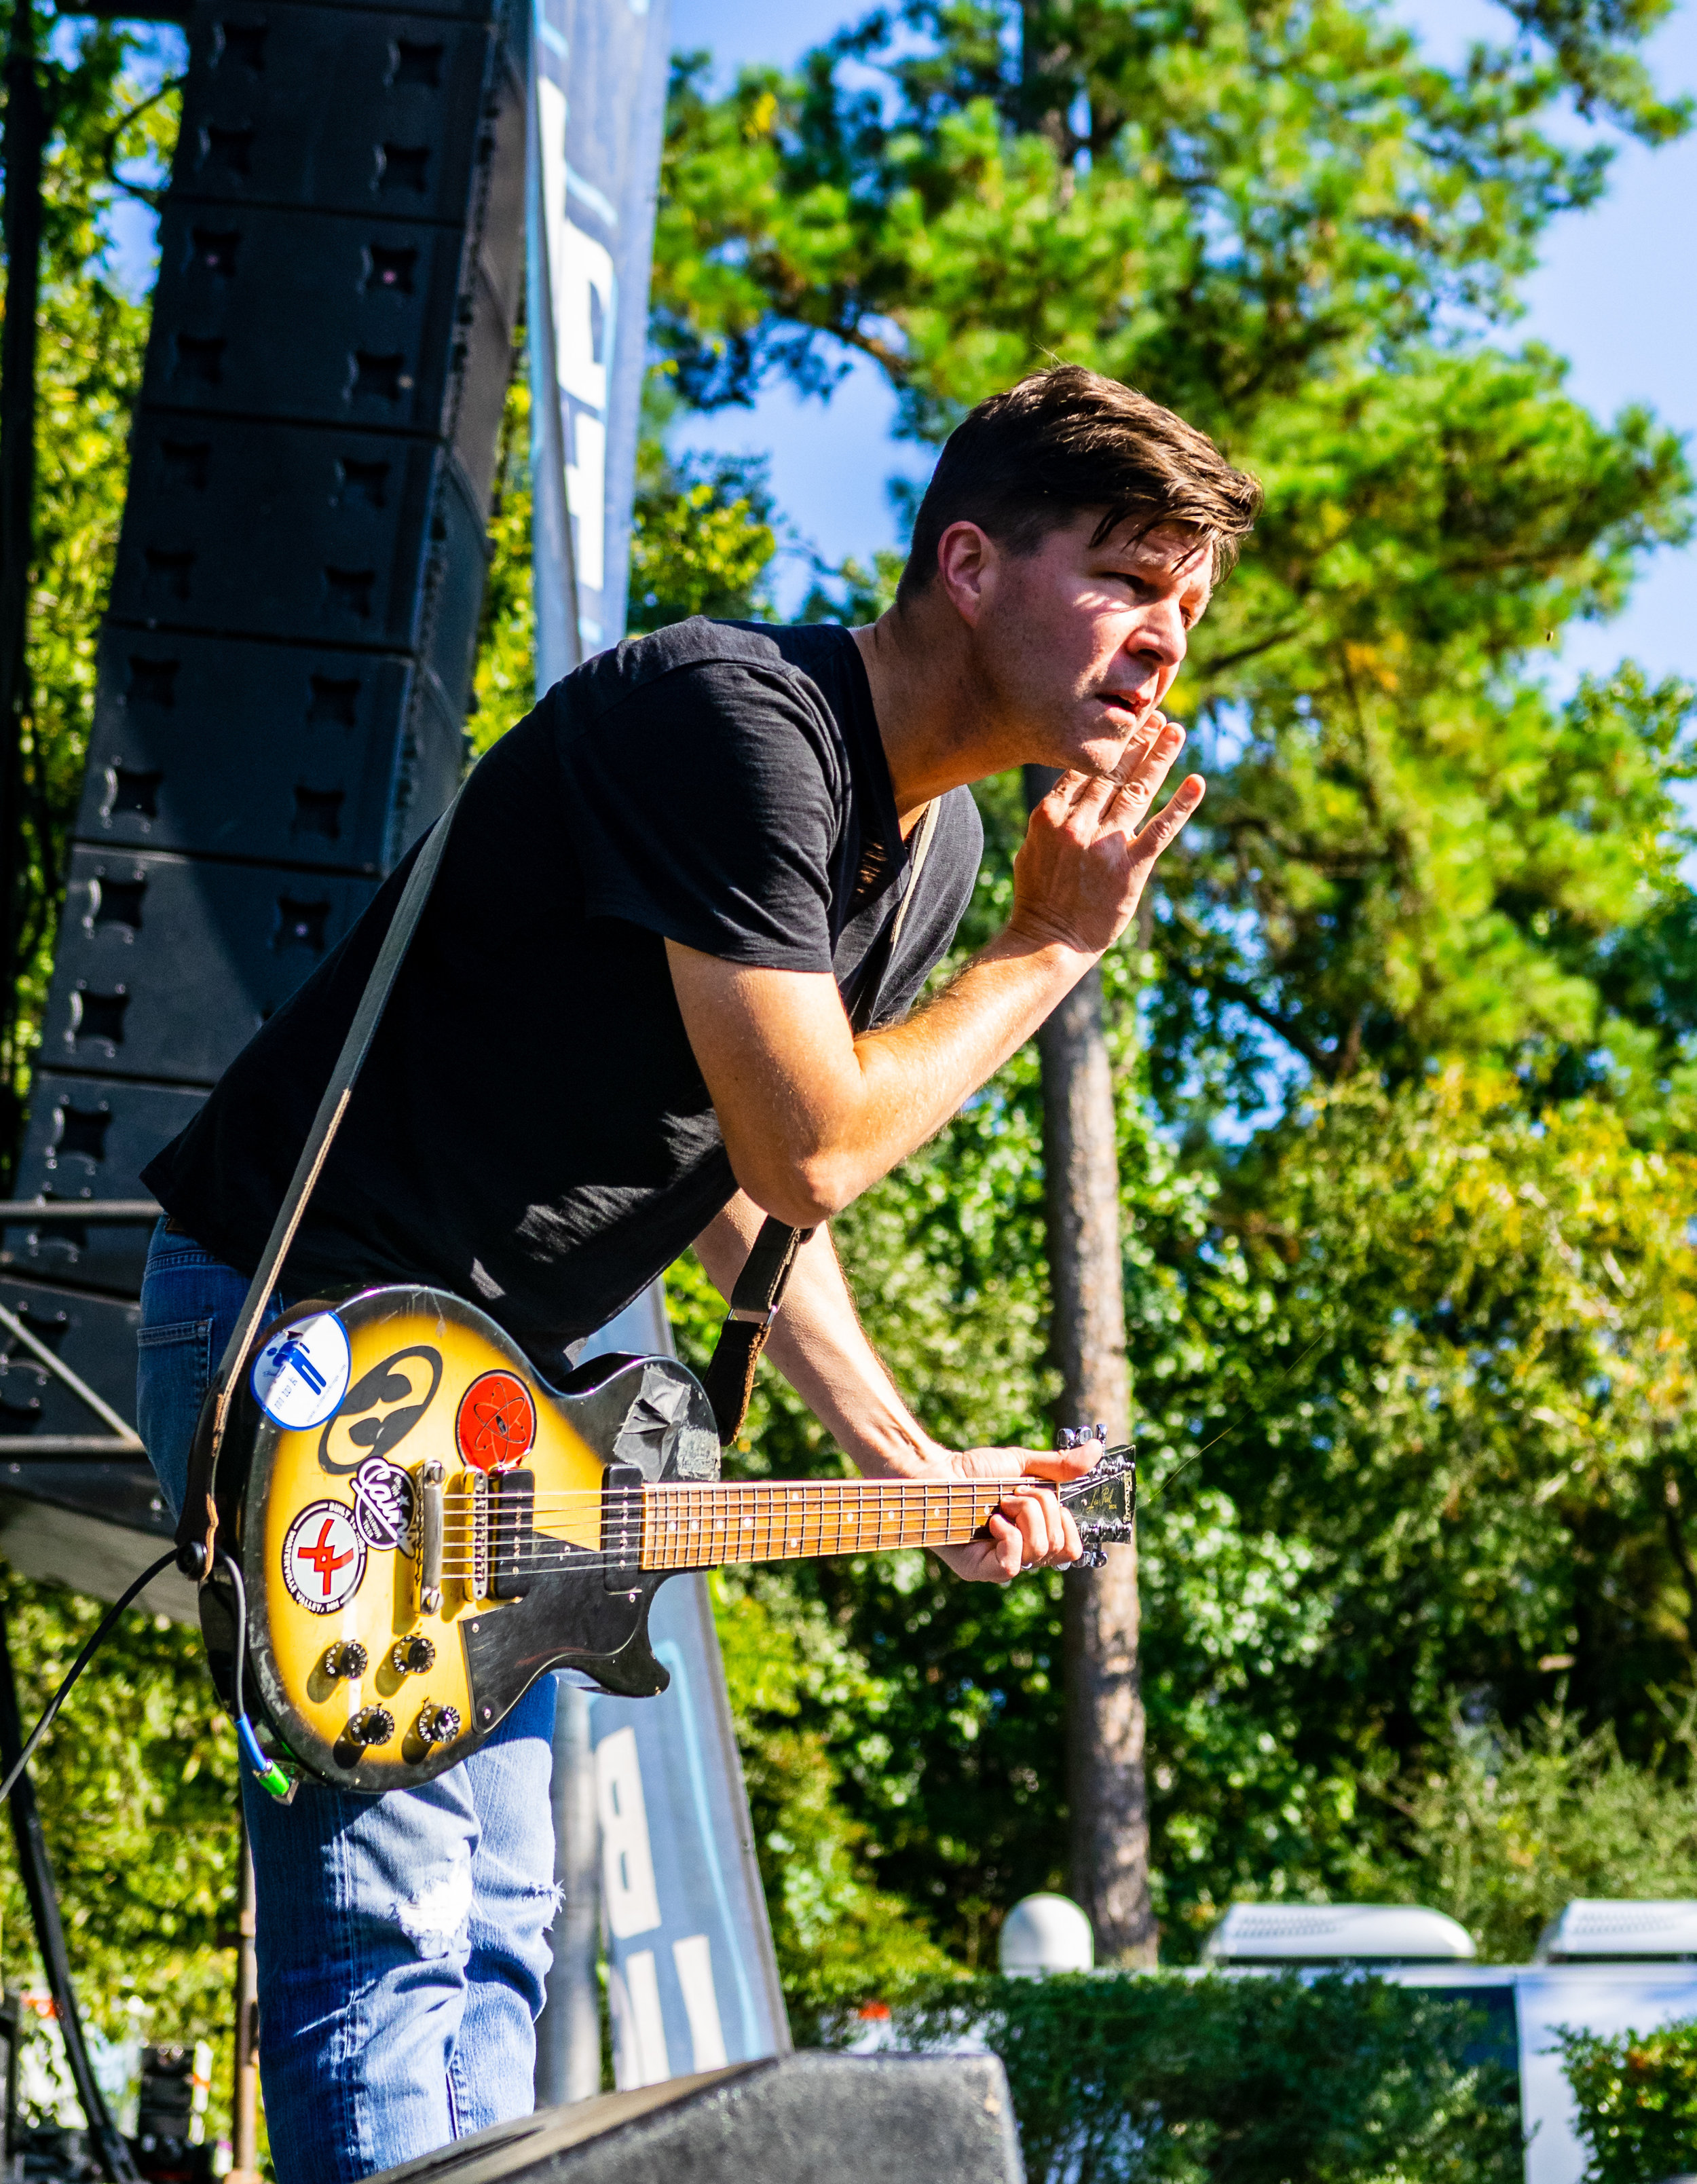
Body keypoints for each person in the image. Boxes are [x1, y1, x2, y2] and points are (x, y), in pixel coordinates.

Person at [136, 364, 1260, 2180]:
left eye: (1187, 608)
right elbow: (812, 1143)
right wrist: (1053, 948)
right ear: (970, 563)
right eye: (1127, 580)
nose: (1163, 641)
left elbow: (737, 1178)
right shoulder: (740, 725)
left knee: (502, 1939)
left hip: (491, 1403)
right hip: (302, 1326)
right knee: (394, 1946)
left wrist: (905, 1463)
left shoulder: (937, 849)